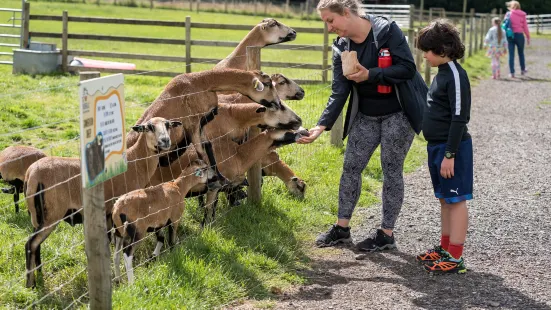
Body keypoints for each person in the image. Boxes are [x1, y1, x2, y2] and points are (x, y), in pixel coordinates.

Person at [297, 0, 427, 251]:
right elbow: (339, 91)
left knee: (391, 170)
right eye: (325, 23)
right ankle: (342, 229)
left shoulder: (387, 32)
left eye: (330, 21)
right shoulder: (341, 47)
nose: (329, 28)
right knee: (350, 168)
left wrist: (371, 74)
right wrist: (321, 126)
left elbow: (407, 69)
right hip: (365, 115)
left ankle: (386, 234)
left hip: (397, 113)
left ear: (346, 13)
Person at [415, 19, 472, 274]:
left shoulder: (457, 76)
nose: (424, 55)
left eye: (427, 50)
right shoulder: (442, 74)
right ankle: (445, 248)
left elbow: (460, 117)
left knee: (456, 200)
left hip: (452, 150)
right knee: (445, 199)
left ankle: (456, 257)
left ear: (444, 49)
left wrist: (450, 154)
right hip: (436, 147)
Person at [504, 1, 530, 78]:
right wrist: (528, 36)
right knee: (521, 53)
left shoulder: (508, 14)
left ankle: (512, 72)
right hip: (519, 35)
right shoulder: (522, 15)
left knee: (511, 54)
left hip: (510, 35)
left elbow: (504, 25)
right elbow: (525, 27)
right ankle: (523, 70)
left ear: (511, 6)